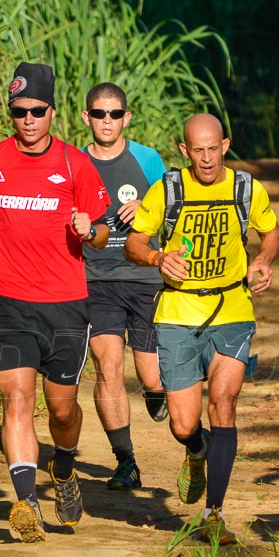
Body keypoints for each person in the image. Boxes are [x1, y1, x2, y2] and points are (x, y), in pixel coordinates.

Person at [0, 61, 111, 543]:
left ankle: (63, 468)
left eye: (37, 111)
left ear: (53, 112)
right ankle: (25, 503)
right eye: (19, 111)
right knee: (15, 397)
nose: (28, 120)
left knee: (61, 410)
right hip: (6, 301)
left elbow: (104, 231)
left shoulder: (74, 164)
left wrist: (91, 231)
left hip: (65, 304)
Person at [124, 113, 279, 544]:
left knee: (225, 403)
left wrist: (263, 261)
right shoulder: (169, 190)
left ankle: (214, 512)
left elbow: (271, 232)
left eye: (214, 148)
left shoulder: (246, 188)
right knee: (181, 424)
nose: (208, 158)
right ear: (184, 151)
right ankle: (196, 451)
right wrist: (158, 259)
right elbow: (135, 242)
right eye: (199, 150)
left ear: (225, 144)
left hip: (232, 308)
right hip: (177, 314)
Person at [80, 82, 169, 491]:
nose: (107, 122)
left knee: (150, 374)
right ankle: (126, 461)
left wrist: (148, 205)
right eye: (99, 114)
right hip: (96, 279)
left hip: (144, 275)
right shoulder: (75, 162)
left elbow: (175, 207)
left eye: (115, 114)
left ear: (127, 118)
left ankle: (157, 394)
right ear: (86, 118)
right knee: (108, 367)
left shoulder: (147, 159)